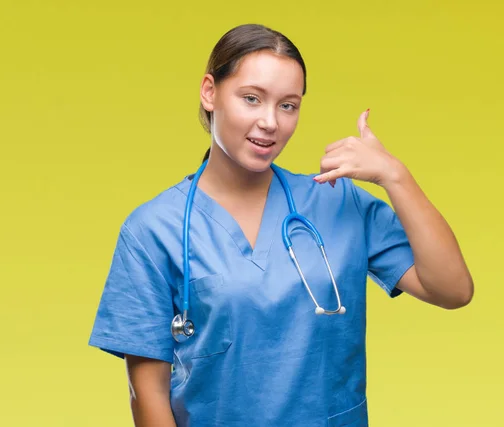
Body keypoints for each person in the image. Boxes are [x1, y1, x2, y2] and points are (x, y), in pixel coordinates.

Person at [88, 23, 474, 427]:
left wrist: (396, 177)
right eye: (252, 99)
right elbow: (146, 394)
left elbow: (452, 290)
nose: (270, 122)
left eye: (288, 105)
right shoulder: (153, 230)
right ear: (209, 92)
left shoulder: (338, 202)